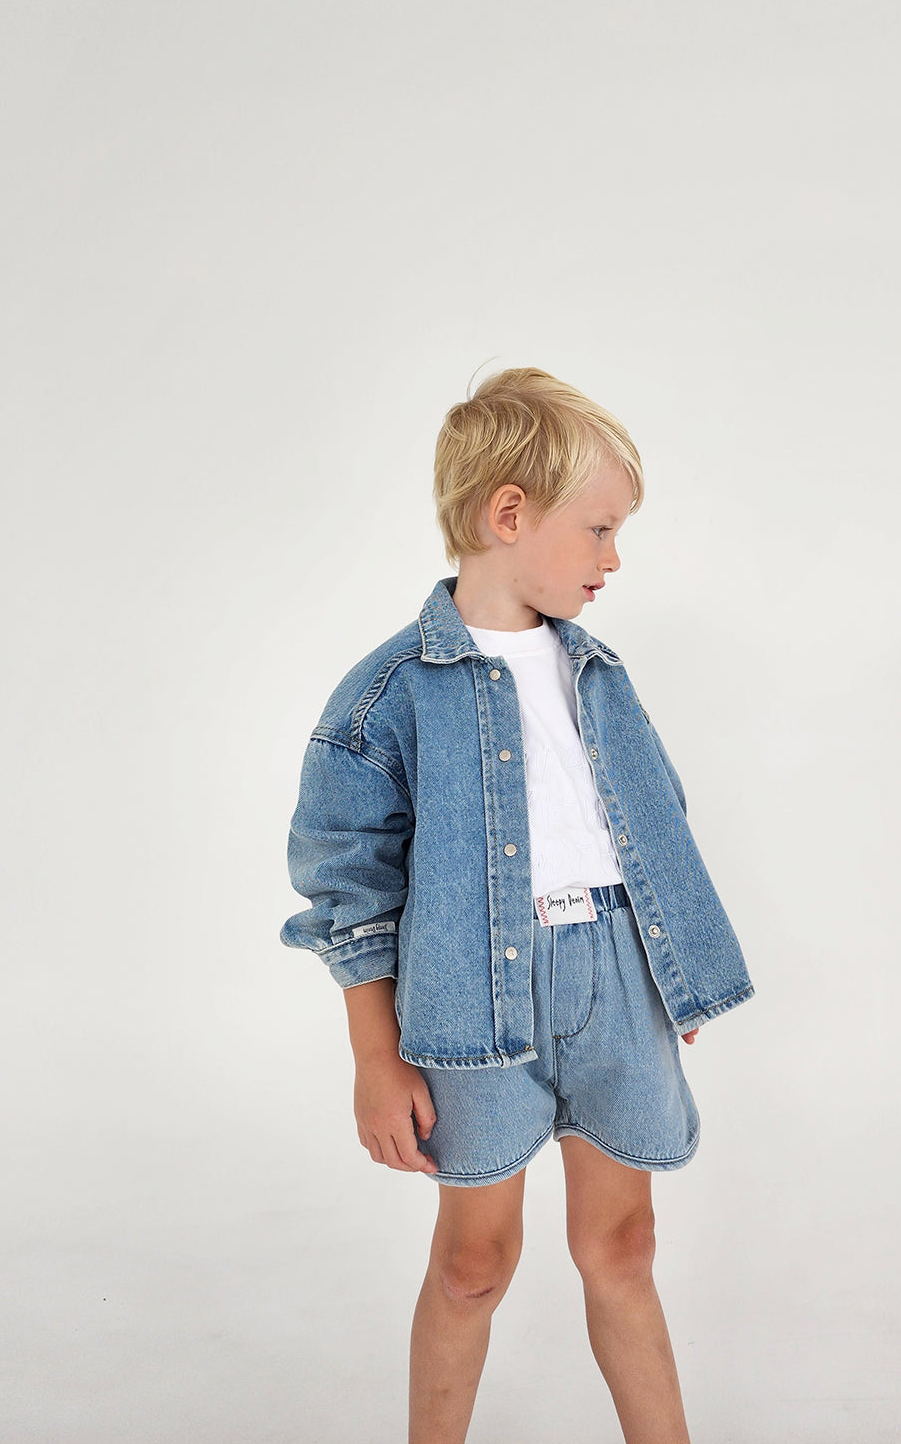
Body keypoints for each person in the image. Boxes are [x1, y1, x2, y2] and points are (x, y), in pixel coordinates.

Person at [281, 364, 754, 1444]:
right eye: (596, 530)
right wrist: (372, 1055)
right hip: (472, 1005)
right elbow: (347, 891)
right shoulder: (386, 696)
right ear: (509, 515)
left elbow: (656, 820)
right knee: (472, 1263)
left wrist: (669, 962)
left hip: (617, 980)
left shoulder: (597, 672)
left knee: (622, 1246)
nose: (612, 558)